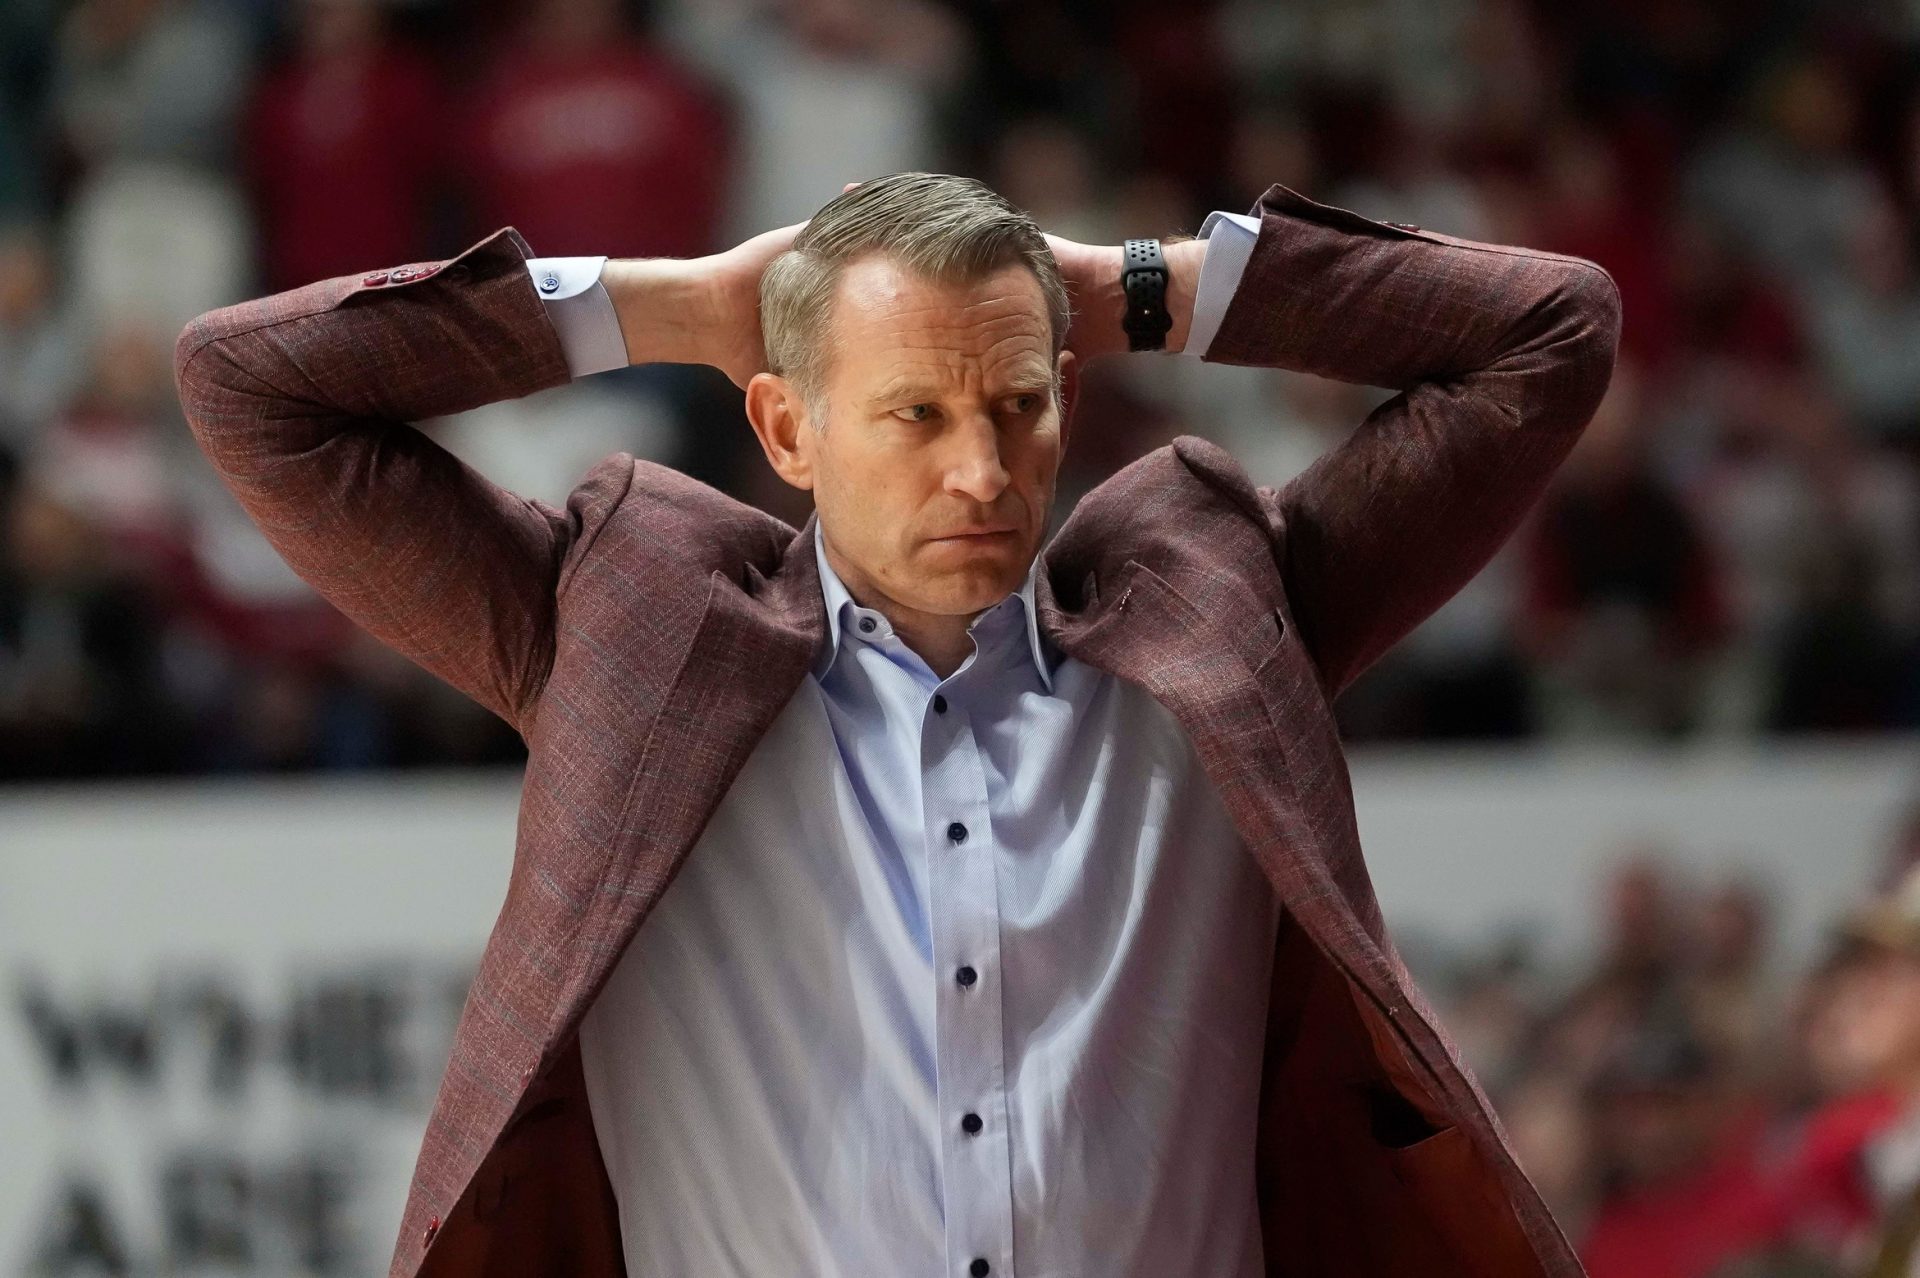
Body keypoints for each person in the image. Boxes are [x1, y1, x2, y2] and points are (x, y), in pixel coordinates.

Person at [173, 171, 1619, 1277]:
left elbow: (1550, 332)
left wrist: (1131, 288)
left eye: (1016, 401)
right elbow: (251, 387)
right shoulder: (627, 635)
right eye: (914, 413)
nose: (983, 468)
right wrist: (668, 304)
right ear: (788, 430)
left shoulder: (1223, 610)